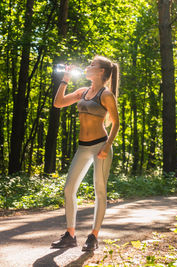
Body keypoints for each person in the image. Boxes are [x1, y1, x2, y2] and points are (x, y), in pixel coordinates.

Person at [50, 56, 120, 251]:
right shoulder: (83, 92)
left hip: (100, 146)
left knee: (100, 190)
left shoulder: (106, 95)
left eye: (92, 65)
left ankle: (93, 236)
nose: (88, 67)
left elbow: (116, 123)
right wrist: (64, 79)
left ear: (101, 72)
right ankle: (70, 235)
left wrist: (107, 147)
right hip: (83, 146)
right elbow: (58, 103)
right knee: (69, 188)